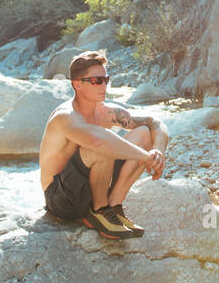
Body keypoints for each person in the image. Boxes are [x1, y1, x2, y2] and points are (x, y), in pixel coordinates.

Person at [38, 50, 169, 239]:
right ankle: (99, 212)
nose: (103, 86)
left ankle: (113, 206)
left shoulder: (106, 112)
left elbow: (154, 121)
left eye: (106, 79)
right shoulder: (65, 116)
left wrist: (158, 150)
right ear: (77, 85)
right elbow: (96, 141)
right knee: (101, 144)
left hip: (89, 186)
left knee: (144, 134)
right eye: (96, 81)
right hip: (62, 199)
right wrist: (145, 157)